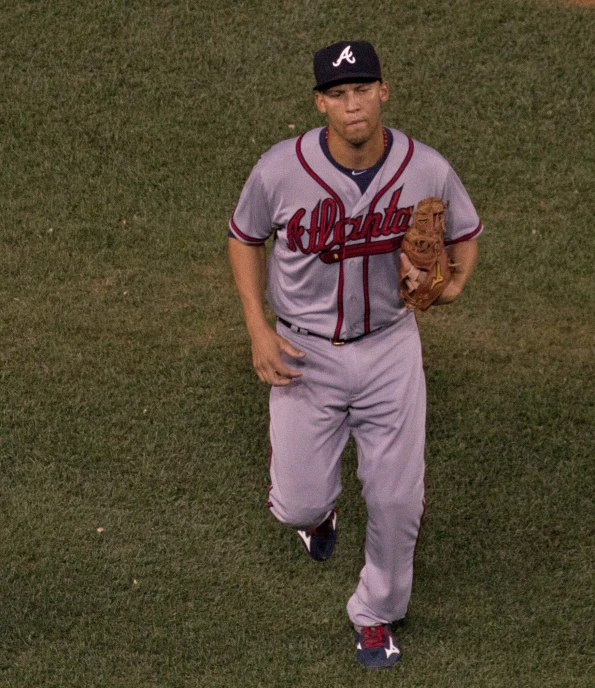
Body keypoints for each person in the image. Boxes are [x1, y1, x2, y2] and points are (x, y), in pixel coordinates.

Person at [228, 40, 482, 669]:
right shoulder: (279, 169)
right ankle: (318, 513)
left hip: (390, 349)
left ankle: (376, 614)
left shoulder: (427, 168)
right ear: (321, 104)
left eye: (362, 90)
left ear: (383, 92)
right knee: (297, 502)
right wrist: (259, 330)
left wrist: (450, 287)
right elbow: (243, 238)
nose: (353, 105)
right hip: (303, 348)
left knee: (397, 500)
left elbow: (465, 234)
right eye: (338, 95)